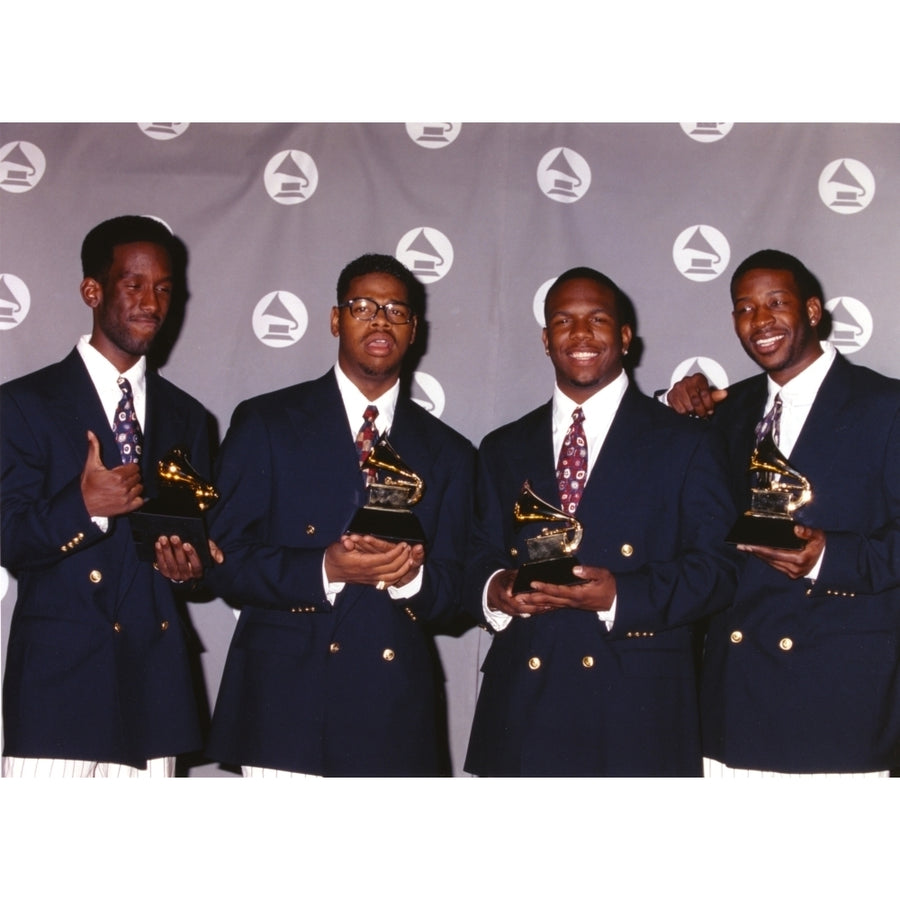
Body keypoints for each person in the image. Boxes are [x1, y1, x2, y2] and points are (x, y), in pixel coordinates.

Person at [203, 253, 475, 777]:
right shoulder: (267, 422)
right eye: (363, 306)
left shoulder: (451, 453)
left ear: (415, 329)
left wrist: (411, 579)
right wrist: (324, 568)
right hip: (284, 707)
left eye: (396, 310)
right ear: (335, 319)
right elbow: (224, 558)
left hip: (391, 709)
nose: (380, 320)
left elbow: (459, 592)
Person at [463, 267, 738, 776]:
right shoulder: (502, 447)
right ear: (546, 340)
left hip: (636, 711)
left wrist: (621, 596)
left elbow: (718, 570)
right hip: (522, 711)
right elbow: (476, 554)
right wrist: (494, 588)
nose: (581, 334)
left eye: (598, 319)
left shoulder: (686, 442)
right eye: (564, 321)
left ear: (626, 337)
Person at [665, 248, 900, 776]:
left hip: (838, 701)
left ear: (812, 311)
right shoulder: (725, 413)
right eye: (745, 308)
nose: (760, 320)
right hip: (732, 700)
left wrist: (827, 557)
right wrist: (674, 407)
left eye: (776, 302)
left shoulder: (887, 406)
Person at [1, 215, 221, 777]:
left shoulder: (189, 417)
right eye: (135, 284)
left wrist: (188, 567)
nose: (152, 302)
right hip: (58, 688)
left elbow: (194, 552)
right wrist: (84, 507)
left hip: (154, 685)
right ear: (92, 291)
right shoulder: (25, 404)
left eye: (165, 288)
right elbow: (9, 538)